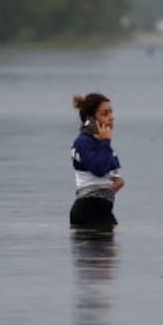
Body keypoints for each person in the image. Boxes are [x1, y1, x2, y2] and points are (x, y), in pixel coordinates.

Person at [69, 93, 123, 229]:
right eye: (105, 114)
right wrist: (105, 141)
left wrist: (109, 188)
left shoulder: (103, 144)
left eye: (111, 112)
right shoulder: (83, 142)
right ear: (91, 119)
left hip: (103, 209)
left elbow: (117, 180)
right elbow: (99, 169)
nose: (111, 117)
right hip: (87, 209)